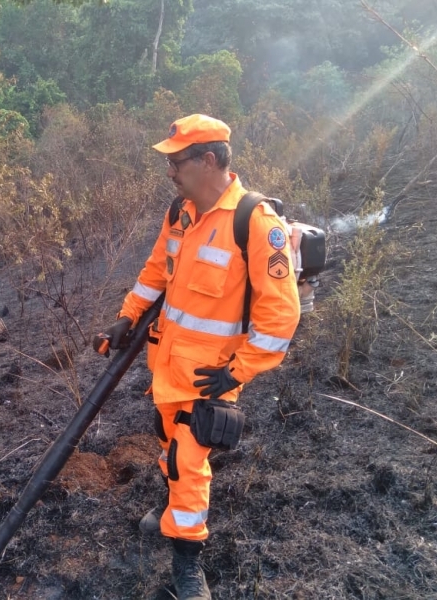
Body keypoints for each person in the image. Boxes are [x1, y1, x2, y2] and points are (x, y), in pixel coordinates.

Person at [94, 114, 301, 600]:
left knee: (188, 462)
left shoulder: (255, 223)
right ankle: (171, 506)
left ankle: (187, 567)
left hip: (210, 378)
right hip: (167, 367)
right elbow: (155, 272)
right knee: (169, 445)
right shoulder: (179, 213)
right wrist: (127, 316)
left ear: (208, 160)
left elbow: (280, 316)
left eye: (177, 162)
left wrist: (236, 372)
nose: (170, 171)